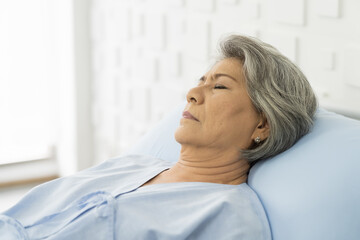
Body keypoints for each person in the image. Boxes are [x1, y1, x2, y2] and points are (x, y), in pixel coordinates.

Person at [0, 35, 317, 239]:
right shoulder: (130, 166)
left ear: (263, 125)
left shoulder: (228, 219)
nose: (192, 93)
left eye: (219, 86)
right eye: (200, 81)